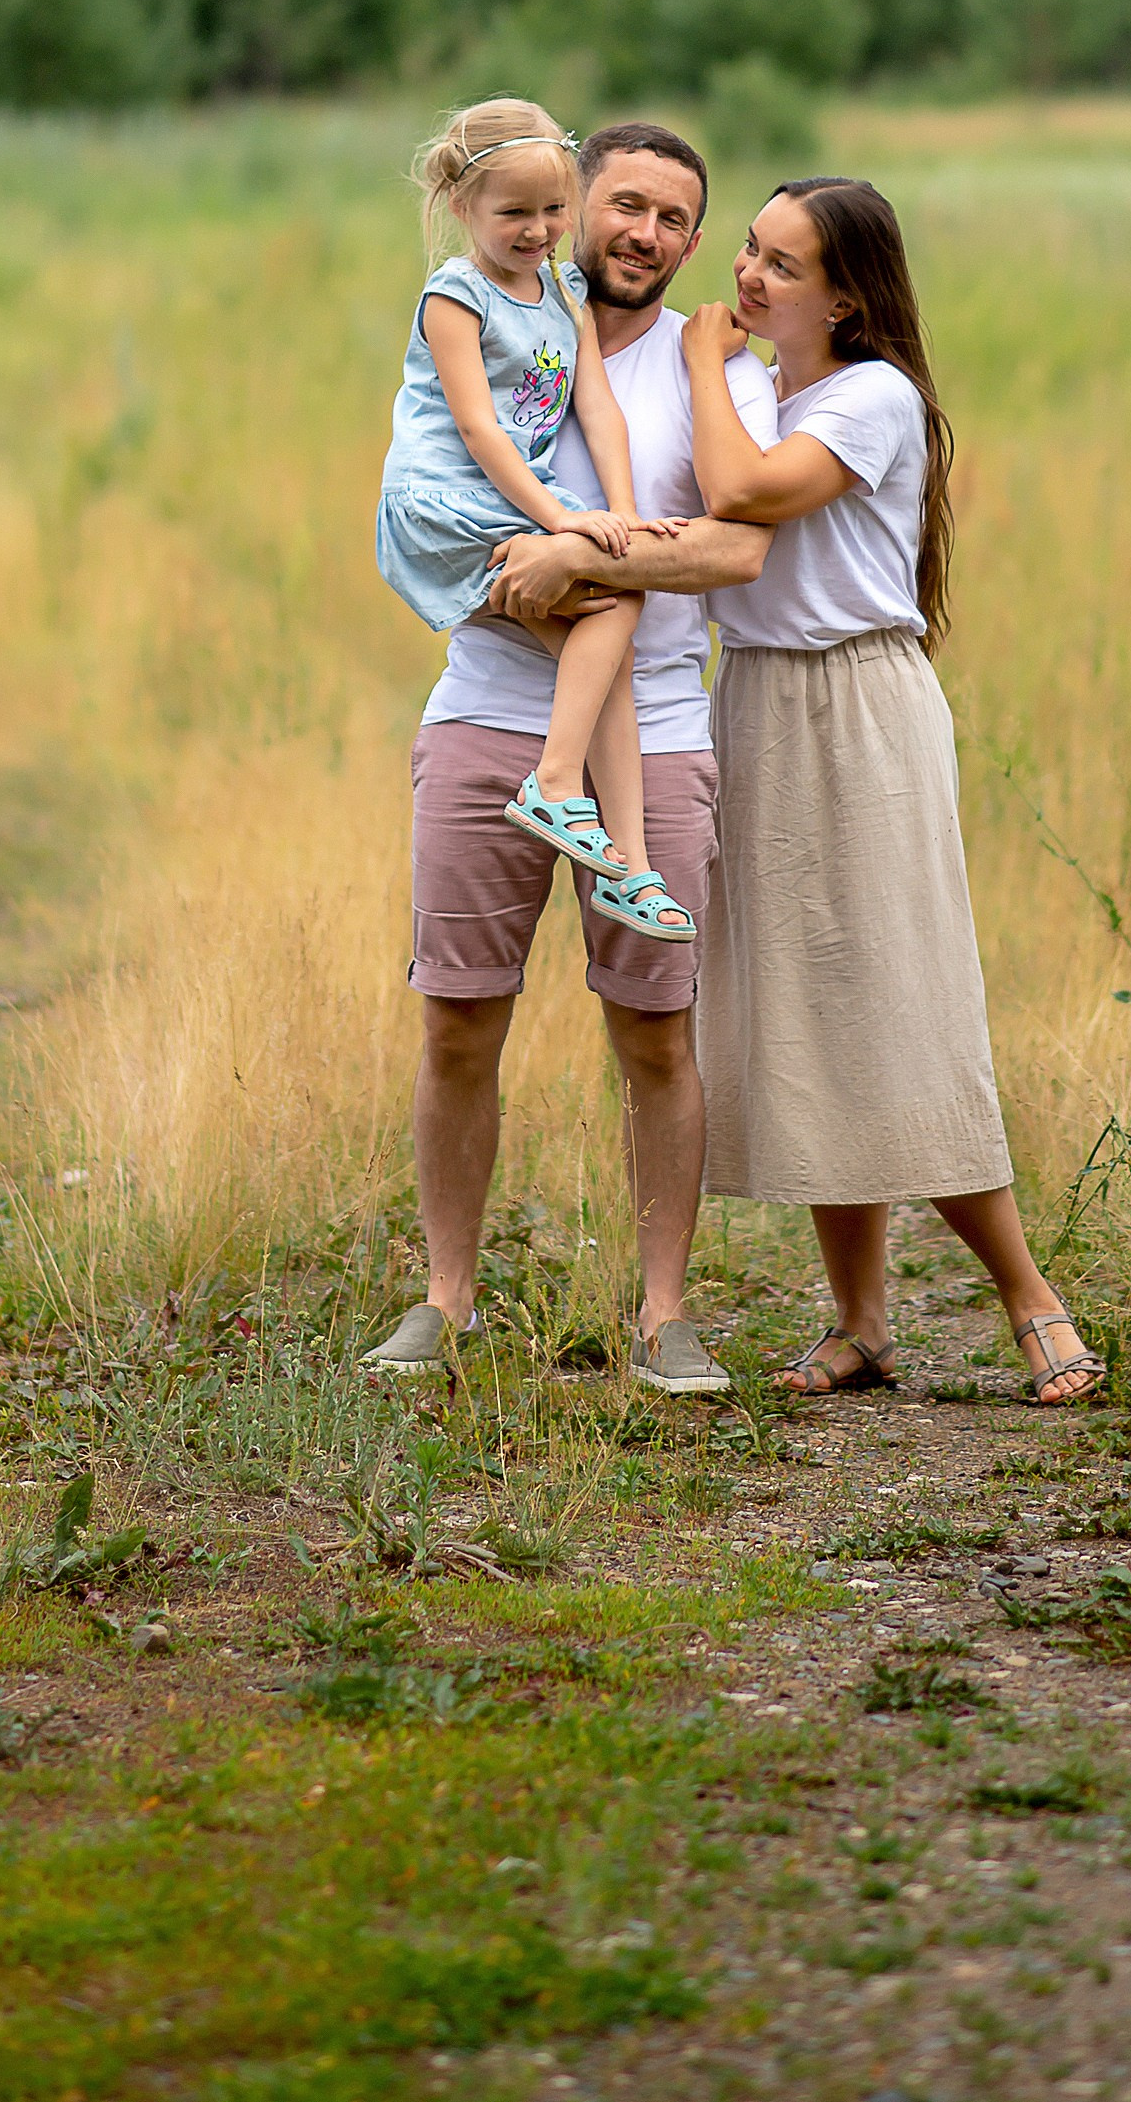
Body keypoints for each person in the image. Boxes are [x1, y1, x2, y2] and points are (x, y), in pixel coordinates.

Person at [364, 122, 783, 1394]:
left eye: (672, 219)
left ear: (693, 243)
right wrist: (549, 555)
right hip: (481, 713)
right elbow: (427, 491)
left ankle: (664, 1317)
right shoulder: (491, 319)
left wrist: (576, 557)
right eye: (625, 205)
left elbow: (731, 549)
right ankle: (445, 1301)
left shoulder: (719, 375)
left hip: (653, 732)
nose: (641, 234)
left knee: (658, 1033)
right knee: (457, 1022)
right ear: (572, 203)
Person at [682, 176, 1105, 1407]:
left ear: (849, 297)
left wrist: (707, 359)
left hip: (858, 706)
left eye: (784, 266)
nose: (751, 278)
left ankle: (1030, 1295)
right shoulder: (768, 385)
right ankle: (860, 1322)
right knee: (809, 1006)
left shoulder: (872, 399)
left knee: (899, 1000)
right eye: (750, 252)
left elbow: (743, 494)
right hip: (757, 695)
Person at [376, 96, 695, 945]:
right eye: (512, 211)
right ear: (461, 206)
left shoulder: (564, 291)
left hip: (509, 502)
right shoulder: (455, 294)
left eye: (553, 210)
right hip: (446, 504)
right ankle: (556, 784)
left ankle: (627, 865)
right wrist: (565, 521)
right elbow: (478, 427)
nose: (536, 229)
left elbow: (596, 405)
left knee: (609, 636)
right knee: (611, 601)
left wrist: (622, 516)